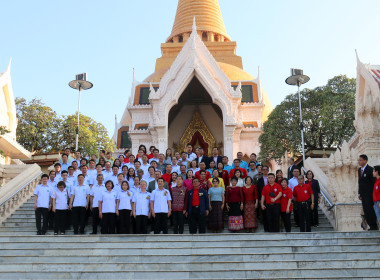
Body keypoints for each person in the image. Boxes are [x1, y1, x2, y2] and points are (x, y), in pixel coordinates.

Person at [358, 154, 378, 230]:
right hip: (363, 195)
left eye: (360, 160)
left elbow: (373, 183)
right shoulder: (359, 170)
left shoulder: (370, 169)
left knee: (370, 210)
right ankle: (371, 226)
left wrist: (373, 194)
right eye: (358, 160)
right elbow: (359, 182)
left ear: (365, 161)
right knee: (366, 211)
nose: (358, 162)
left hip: (369, 195)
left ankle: (374, 226)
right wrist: (359, 193)